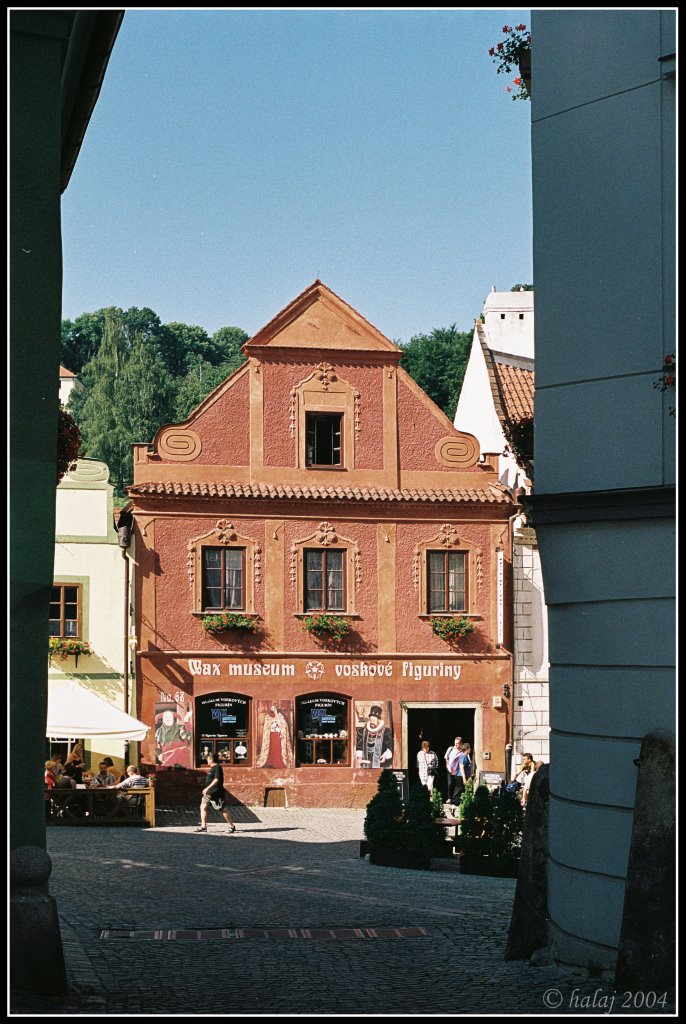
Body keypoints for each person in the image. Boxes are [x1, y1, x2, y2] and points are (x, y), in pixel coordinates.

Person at [195, 752, 236, 834]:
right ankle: (203, 826)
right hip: (208, 794)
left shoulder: (217, 767)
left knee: (222, 809)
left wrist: (207, 788)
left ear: (211, 759)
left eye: (207, 759)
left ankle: (231, 826)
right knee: (203, 807)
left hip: (216, 793)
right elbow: (211, 778)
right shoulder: (212, 768)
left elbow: (217, 779)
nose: (206, 761)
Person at [256, 703, 293, 768]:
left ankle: (279, 762)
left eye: (274, 709)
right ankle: (269, 762)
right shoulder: (268, 717)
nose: (273, 710)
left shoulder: (280, 716)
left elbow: (284, 725)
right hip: (271, 735)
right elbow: (266, 727)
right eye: (272, 709)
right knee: (270, 749)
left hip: (278, 735)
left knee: (278, 749)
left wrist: (281, 732)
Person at [451, 742, 473, 815]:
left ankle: (460, 808)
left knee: (462, 791)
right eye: (469, 748)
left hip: (463, 776)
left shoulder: (466, 755)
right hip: (460, 776)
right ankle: (453, 806)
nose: (470, 749)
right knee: (458, 790)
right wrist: (464, 778)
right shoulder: (463, 755)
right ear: (467, 748)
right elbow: (461, 767)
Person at [444, 736, 462, 805]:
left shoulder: (462, 751)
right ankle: (449, 798)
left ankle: (456, 799)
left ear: (461, 744)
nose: (456, 745)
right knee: (450, 783)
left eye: (457, 743)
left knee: (458, 785)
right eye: (455, 743)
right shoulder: (450, 748)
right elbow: (446, 758)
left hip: (458, 770)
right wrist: (447, 766)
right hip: (450, 769)